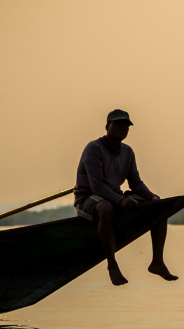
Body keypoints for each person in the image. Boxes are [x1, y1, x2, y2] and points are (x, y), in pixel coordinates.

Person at [73, 109, 178, 286]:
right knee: (105, 208)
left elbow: (135, 183)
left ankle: (157, 262)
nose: (122, 128)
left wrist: (152, 197)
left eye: (126, 126)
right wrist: (121, 201)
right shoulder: (94, 148)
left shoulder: (127, 152)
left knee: (159, 206)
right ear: (107, 126)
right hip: (88, 198)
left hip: (112, 197)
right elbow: (96, 186)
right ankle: (112, 265)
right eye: (117, 124)